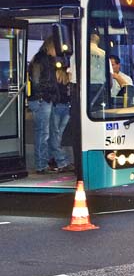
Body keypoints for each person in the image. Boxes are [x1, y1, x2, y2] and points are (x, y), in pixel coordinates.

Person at [28, 38, 69, 174]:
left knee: (50, 132)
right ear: (51, 46)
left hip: (45, 99)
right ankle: (41, 164)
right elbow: (37, 81)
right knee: (44, 133)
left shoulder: (42, 59)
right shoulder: (42, 59)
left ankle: (54, 161)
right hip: (42, 99)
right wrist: (48, 94)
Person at [50, 68, 75, 173]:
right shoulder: (69, 84)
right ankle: (61, 160)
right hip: (67, 108)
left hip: (57, 107)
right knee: (60, 134)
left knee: (55, 135)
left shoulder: (56, 84)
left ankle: (61, 161)